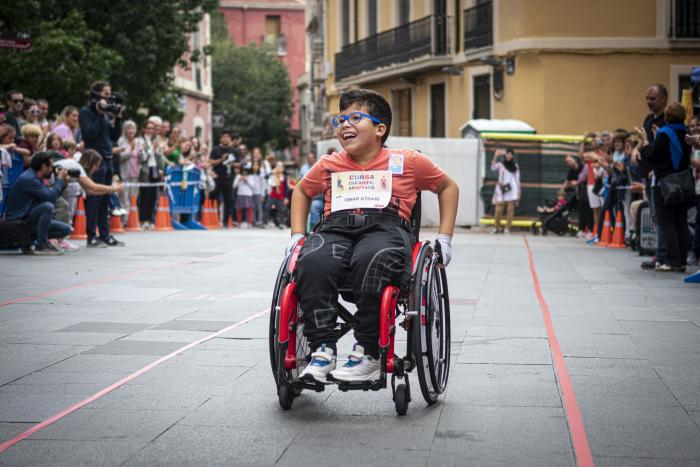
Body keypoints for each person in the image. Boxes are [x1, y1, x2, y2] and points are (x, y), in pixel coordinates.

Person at [289, 89, 459, 383]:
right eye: (340, 119)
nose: (345, 125)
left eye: (356, 117)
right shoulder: (329, 164)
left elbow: (448, 187)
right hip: (335, 227)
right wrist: (296, 235)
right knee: (312, 260)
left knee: (372, 259)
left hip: (386, 228)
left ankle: (368, 352)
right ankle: (322, 350)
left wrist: (445, 237)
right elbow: (302, 191)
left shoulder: (408, 161)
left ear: (380, 129)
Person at [640, 103, 692, 272]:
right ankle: (682, 261)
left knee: (666, 223)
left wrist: (645, 141)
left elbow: (651, 156)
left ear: (667, 117)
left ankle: (672, 261)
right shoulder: (687, 133)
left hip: (664, 184)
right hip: (683, 182)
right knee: (680, 222)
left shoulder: (664, 134)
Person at [79, 80, 124, 247]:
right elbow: (89, 134)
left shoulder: (105, 114)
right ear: (96, 95)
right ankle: (91, 236)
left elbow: (113, 137)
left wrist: (117, 119)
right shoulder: (85, 112)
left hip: (107, 158)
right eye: (106, 94)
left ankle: (105, 235)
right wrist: (98, 114)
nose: (109, 98)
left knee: (106, 198)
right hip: (95, 160)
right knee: (95, 198)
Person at [4, 152, 72, 255]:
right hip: (19, 221)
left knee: (66, 229)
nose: (52, 169)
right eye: (51, 166)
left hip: (27, 218)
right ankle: (41, 245)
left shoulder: (34, 177)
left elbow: (50, 194)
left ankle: (29, 241)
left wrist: (63, 183)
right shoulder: (29, 179)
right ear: (44, 166)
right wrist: (59, 180)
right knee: (47, 207)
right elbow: (50, 198)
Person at [54, 149, 123, 250]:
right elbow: (93, 187)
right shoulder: (78, 168)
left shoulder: (77, 169)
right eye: (96, 165)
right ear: (91, 163)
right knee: (63, 207)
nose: (97, 168)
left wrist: (110, 191)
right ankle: (57, 239)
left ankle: (58, 239)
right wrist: (114, 189)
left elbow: (90, 191)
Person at [635, 84, 669, 269]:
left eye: (652, 98)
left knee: (661, 216)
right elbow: (644, 141)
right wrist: (635, 149)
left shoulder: (668, 121)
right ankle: (660, 254)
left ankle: (663, 256)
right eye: (647, 98)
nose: (648, 102)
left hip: (660, 176)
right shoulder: (649, 119)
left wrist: (656, 169)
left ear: (663, 99)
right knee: (656, 216)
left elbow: (663, 149)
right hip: (648, 176)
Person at [137, 120, 163, 230]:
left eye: (152, 128)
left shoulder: (154, 140)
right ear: (143, 129)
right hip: (145, 170)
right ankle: (142, 220)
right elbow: (142, 158)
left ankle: (150, 219)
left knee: (153, 195)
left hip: (155, 169)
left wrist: (157, 150)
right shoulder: (140, 141)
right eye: (148, 128)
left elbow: (159, 156)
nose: (150, 130)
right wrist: (151, 148)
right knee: (145, 196)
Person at [209, 130, 238, 227]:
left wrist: (231, 163)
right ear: (220, 138)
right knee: (214, 198)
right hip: (217, 177)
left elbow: (239, 164)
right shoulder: (215, 149)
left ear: (230, 139)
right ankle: (215, 218)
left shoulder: (233, 150)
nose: (226, 138)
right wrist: (222, 159)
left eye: (228, 137)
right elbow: (211, 162)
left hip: (229, 178)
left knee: (228, 200)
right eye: (224, 136)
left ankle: (226, 221)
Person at [490, 147, 521, 234]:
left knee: (510, 211)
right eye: (508, 153)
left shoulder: (515, 167)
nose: (509, 155)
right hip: (501, 189)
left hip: (512, 190)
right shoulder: (501, 165)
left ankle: (507, 228)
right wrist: (495, 156)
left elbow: (517, 180)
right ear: (505, 154)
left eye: (511, 154)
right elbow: (493, 167)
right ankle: (496, 227)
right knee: (498, 210)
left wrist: (519, 192)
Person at [116, 120, 141, 223]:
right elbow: (120, 158)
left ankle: (133, 220)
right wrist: (131, 149)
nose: (131, 130)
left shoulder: (138, 141)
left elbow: (142, 159)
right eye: (128, 128)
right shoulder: (121, 141)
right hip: (124, 173)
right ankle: (125, 221)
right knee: (124, 198)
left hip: (135, 173)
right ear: (125, 130)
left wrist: (142, 152)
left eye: (133, 128)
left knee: (134, 197)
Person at [687, 115, 700, 265]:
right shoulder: (689, 146)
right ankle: (693, 251)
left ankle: (695, 252)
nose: (695, 127)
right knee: (690, 221)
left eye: (698, 124)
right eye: (692, 125)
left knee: (698, 221)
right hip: (692, 189)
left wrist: (689, 160)